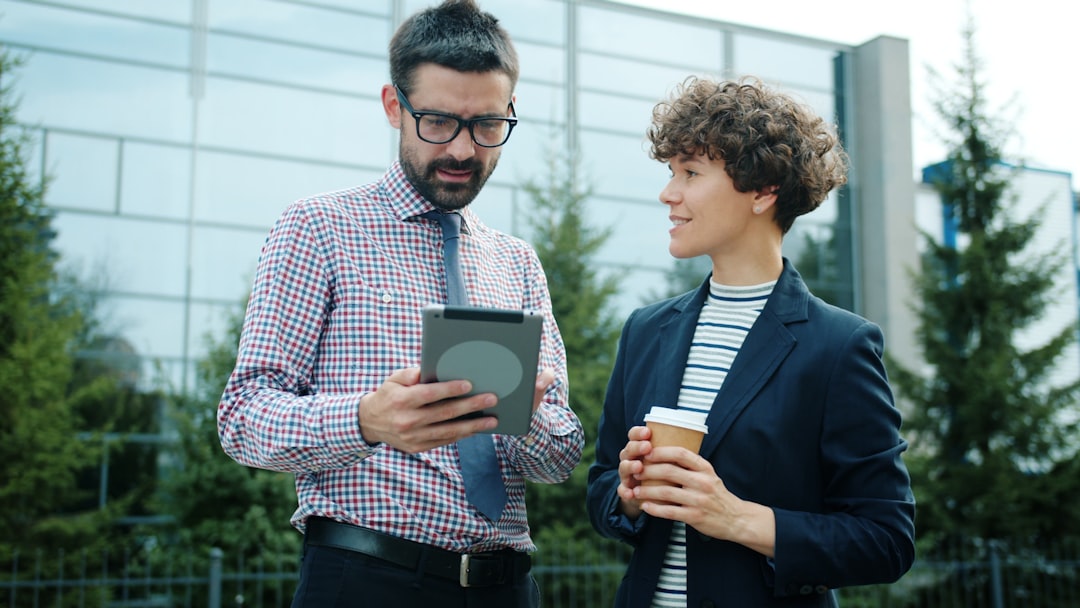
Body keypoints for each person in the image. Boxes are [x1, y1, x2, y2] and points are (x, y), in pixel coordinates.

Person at [217, 1, 584, 606]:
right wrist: (367, 421)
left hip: (506, 587)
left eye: (488, 125)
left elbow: (559, 459)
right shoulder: (318, 228)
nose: (464, 150)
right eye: (439, 121)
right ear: (395, 107)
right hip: (366, 579)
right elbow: (243, 418)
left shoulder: (518, 263)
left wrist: (527, 414)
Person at [585, 76, 916, 607]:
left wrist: (737, 518)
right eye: (671, 173)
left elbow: (886, 540)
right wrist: (626, 495)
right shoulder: (645, 330)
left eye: (690, 172)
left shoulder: (839, 346)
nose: (669, 193)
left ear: (764, 190)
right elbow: (602, 485)